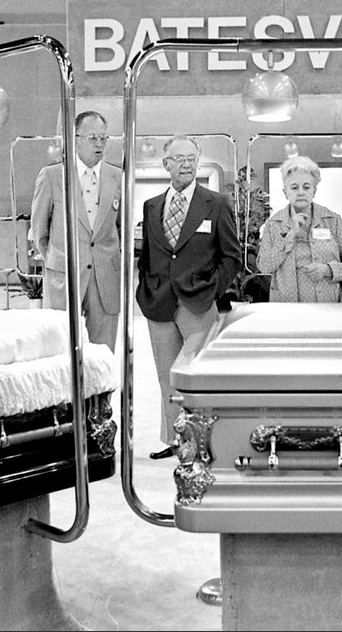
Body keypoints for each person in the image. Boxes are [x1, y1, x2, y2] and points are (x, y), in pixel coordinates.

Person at [136, 135, 241, 460]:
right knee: (167, 376)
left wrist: (212, 290)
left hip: (198, 302)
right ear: (166, 164)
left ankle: (203, 442)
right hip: (159, 302)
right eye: (179, 159)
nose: (186, 164)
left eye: (191, 158)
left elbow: (232, 257)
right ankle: (176, 441)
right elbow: (147, 256)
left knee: (199, 376)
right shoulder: (152, 206)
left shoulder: (216, 203)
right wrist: (146, 287)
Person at [28, 110, 123, 351]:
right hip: (64, 276)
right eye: (92, 138)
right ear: (75, 139)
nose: (99, 144)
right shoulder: (52, 176)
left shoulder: (117, 177)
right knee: (60, 348)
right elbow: (39, 230)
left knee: (103, 352)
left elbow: (120, 226)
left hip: (105, 277)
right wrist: (58, 258)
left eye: (103, 138)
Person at [257, 154, 342, 303]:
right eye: (294, 187)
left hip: (330, 307)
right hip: (287, 308)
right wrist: (290, 235)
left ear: (314, 191)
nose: (301, 192)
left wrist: (328, 270)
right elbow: (264, 266)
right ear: (285, 192)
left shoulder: (332, 220)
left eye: (306, 187)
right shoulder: (273, 224)